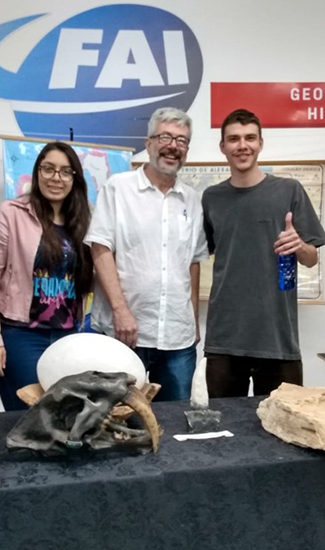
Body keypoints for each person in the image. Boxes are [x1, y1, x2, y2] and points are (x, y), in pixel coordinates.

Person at [201, 109, 325, 397]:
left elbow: (311, 259)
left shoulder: (289, 190)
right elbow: (199, 255)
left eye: (250, 138)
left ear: (260, 143)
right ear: (223, 146)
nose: (242, 145)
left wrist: (299, 245)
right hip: (225, 337)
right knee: (222, 420)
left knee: (284, 420)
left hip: (277, 337)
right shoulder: (211, 198)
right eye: (234, 139)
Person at [85, 107, 208, 401]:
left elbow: (192, 263)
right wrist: (120, 310)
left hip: (177, 338)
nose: (173, 146)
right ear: (149, 143)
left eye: (181, 140)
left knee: (176, 418)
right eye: (165, 137)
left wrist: (193, 319)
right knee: (117, 417)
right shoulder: (119, 188)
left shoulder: (192, 200)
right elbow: (100, 249)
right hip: (124, 332)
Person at [0, 142, 93, 411]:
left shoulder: (83, 220)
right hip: (21, 336)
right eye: (48, 169)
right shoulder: (12, 213)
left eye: (65, 171)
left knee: (65, 416)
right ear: (37, 172)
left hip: (67, 337)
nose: (56, 177)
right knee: (30, 417)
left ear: (74, 178)